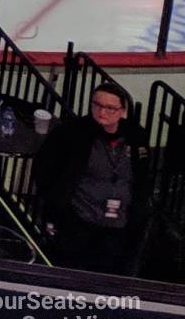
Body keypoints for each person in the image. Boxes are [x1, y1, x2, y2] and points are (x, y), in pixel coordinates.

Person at [35, 81, 148, 274]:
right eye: (97, 105)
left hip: (119, 226)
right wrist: (56, 203)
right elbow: (45, 168)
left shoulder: (136, 136)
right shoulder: (71, 132)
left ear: (122, 111)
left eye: (110, 108)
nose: (102, 111)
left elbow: (142, 176)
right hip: (78, 223)